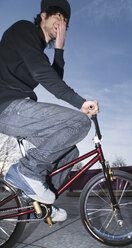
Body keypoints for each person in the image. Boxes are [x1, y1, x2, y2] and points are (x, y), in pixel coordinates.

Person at [0, 0, 99, 222]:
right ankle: (27, 172)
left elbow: (52, 75)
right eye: (58, 17)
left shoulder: (37, 53)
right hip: (7, 107)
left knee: (70, 152)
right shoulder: (23, 30)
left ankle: (40, 203)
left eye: (65, 22)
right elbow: (44, 76)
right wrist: (80, 102)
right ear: (43, 16)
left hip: (20, 112)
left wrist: (60, 49)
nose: (61, 23)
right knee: (79, 122)